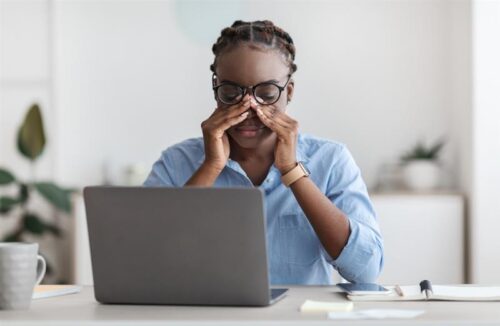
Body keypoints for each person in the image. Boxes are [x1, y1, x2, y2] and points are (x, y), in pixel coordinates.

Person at [144, 20, 383, 285]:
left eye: (267, 94)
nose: (249, 108)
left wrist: (293, 173)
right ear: (216, 89)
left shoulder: (331, 160)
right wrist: (211, 166)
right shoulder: (175, 163)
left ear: (288, 92)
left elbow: (366, 271)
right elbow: (146, 260)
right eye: (231, 93)